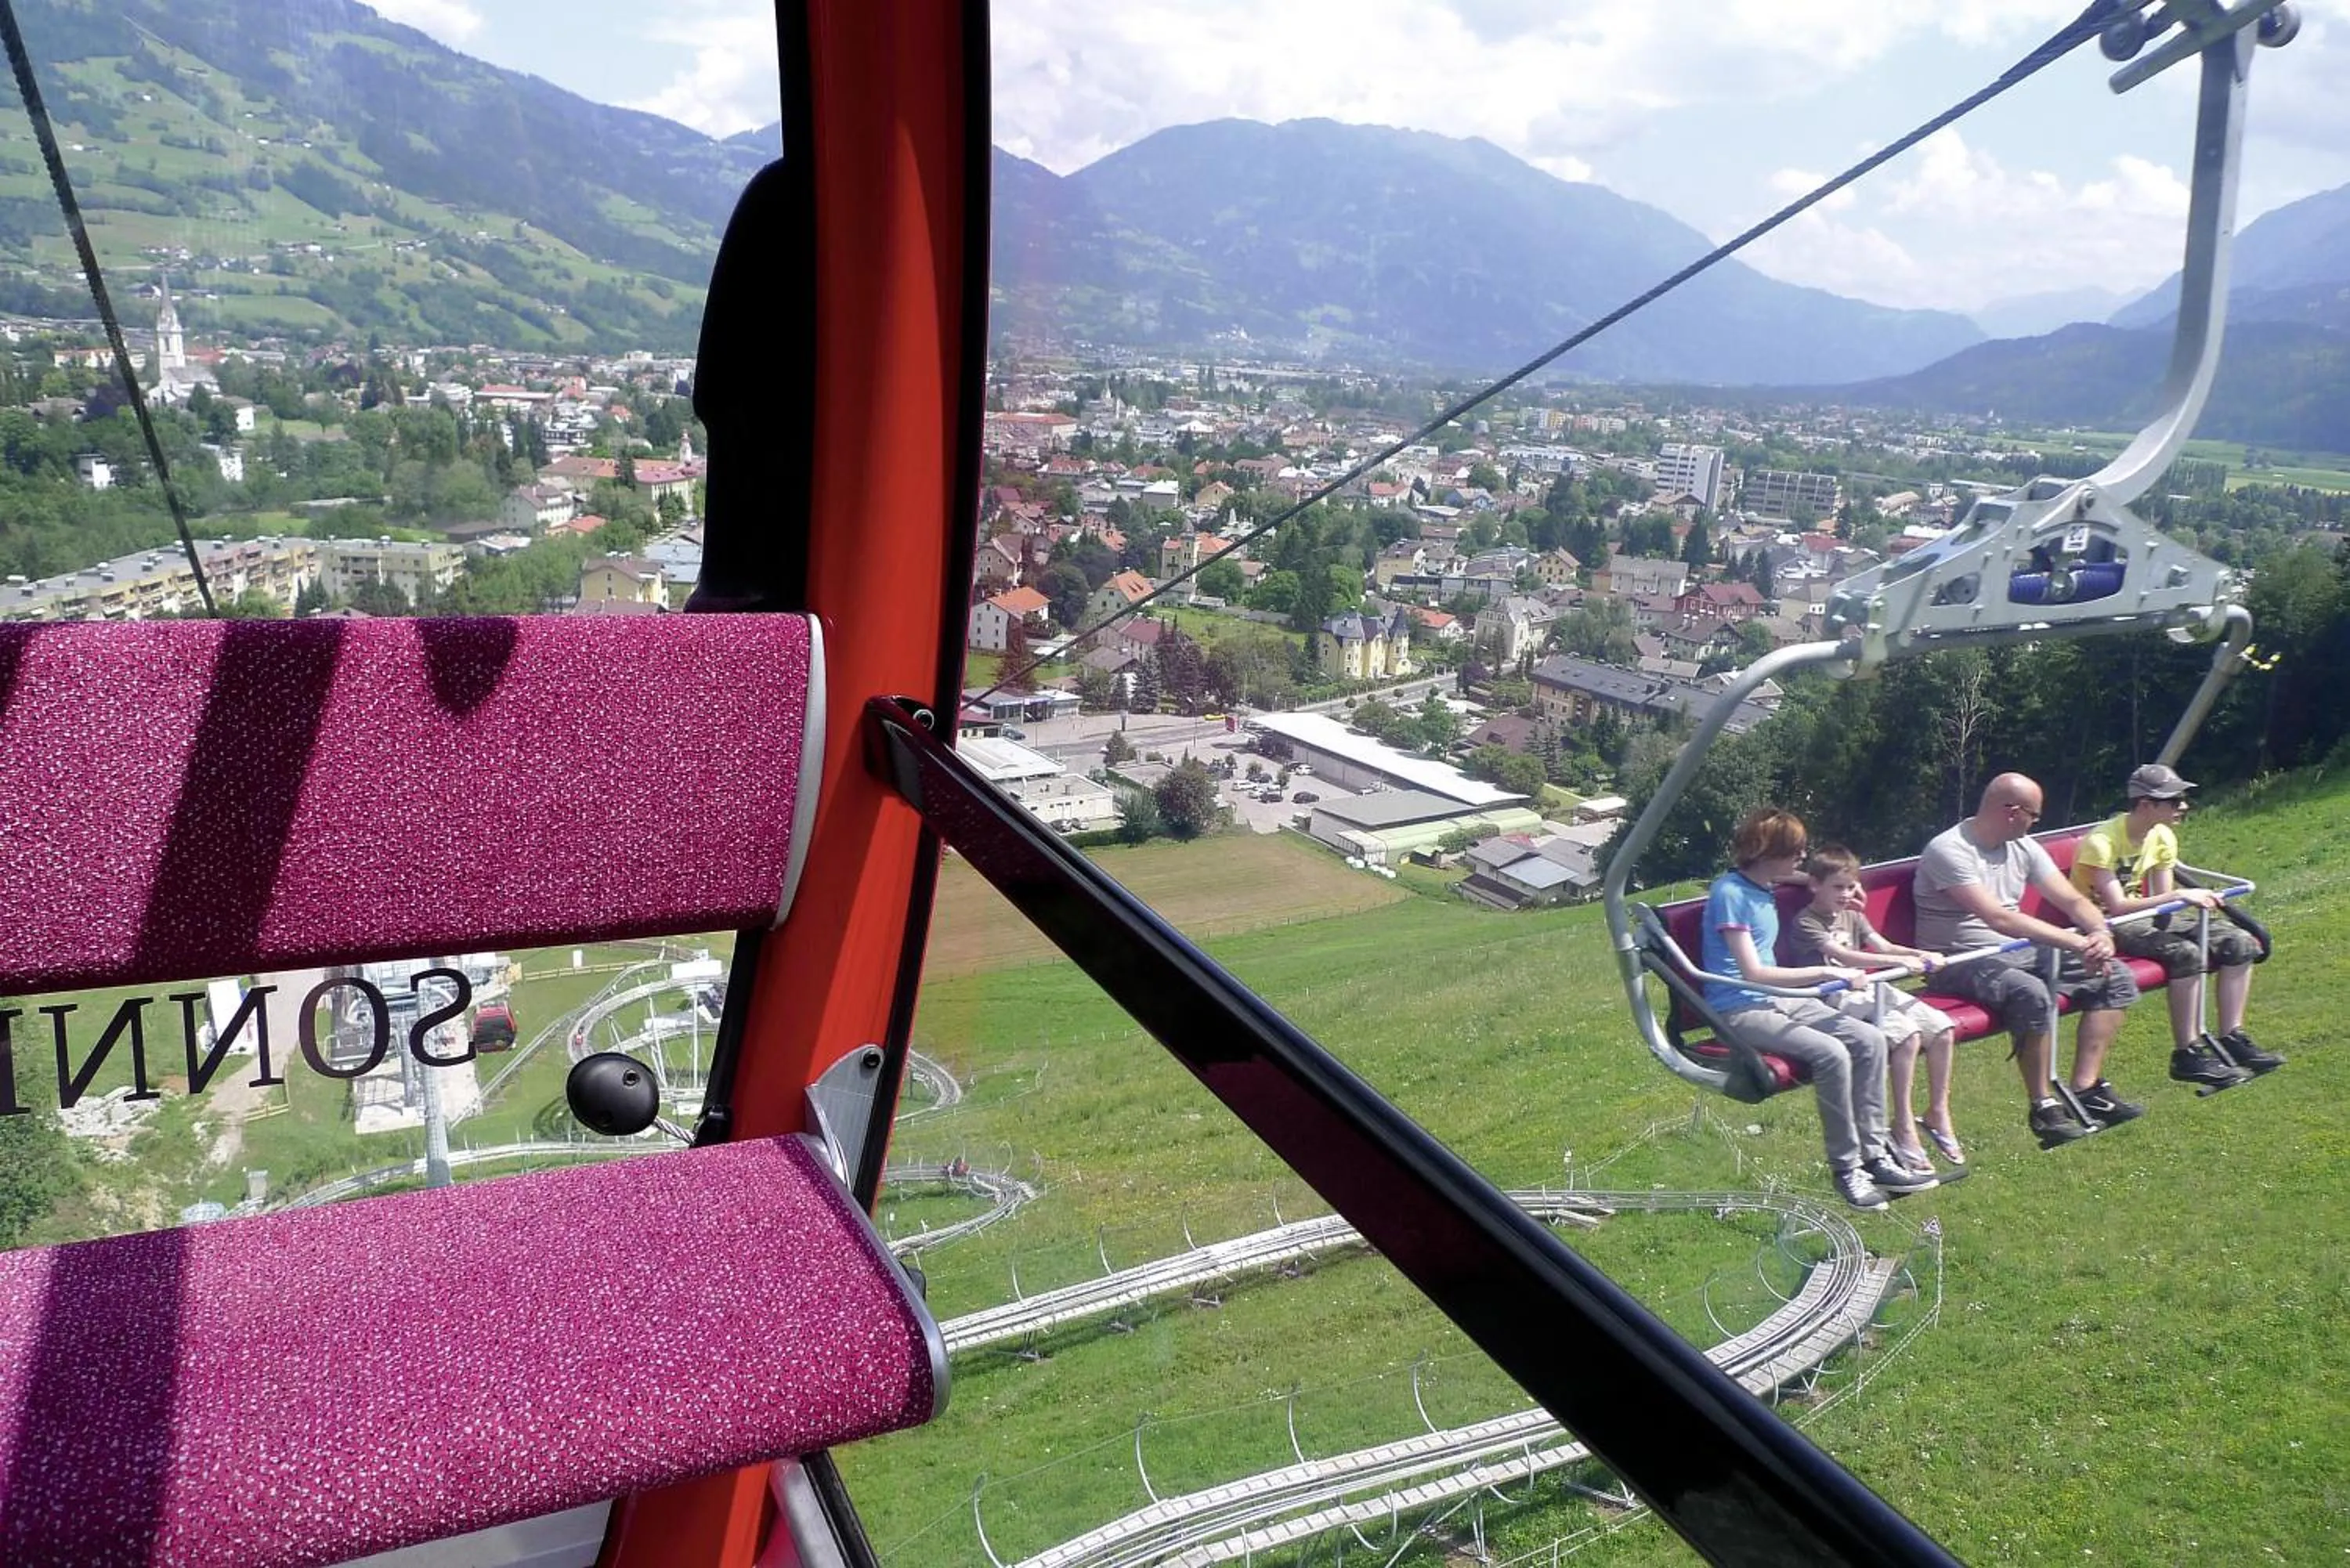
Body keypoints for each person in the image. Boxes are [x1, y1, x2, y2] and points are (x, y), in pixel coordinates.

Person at [1701, 807, 1936, 1211]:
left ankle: (1876, 1154)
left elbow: (1799, 877)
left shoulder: (1761, 885)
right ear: (1765, 851)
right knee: (1831, 1054)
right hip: (1739, 1006)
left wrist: (1841, 885)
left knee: (1870, 1042)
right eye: (1794, 850)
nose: (1801, 857)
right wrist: (1833, 976)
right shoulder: (1731, 895)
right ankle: (1846, 1169)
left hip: (1778, 1000)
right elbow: (1753, 972)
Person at [1912, 773, 2141, 1149]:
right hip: (1958, 959)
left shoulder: (2022, 846)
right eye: (2033, 815)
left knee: (2113, 977)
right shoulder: (1949, 850)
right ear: (2011, 812)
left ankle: (2086, 1089)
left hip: (2015, 949)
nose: (2036, 823)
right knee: (2031, 993)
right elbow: (1998, 919)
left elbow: (2070, 900)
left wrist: (2098, 932)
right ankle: (2044, 1106)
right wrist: (2074, 941)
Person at [2070, 762, 2281, 1086]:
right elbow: (2118, 907)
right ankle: (2188, 1052)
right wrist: (2185, 895)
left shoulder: (2162, 836)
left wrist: (2184, 900)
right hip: (2106, 925)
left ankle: (2232, 1036)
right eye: (2173, 800)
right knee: (2185, 954)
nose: (2183, 806)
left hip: (2141, 916)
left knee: (2238, 942)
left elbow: (2163, 896)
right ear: (2146, 805)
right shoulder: (2103, 842)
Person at [1788, 844, 1965, 1173]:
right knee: (1907, 1036)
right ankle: (1902, 1124)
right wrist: (1902, 962)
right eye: (1837, 887)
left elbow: (1883, 946)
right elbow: (1846, 958)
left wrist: (1922, 955)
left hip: (1870, 989)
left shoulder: (1853, 915)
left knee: (1942, 1028)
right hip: (1834, 995)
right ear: (1815, 885)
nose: (1845, 894)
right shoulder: (1807, 922)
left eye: (1851, 887)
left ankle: (1938, 1111)